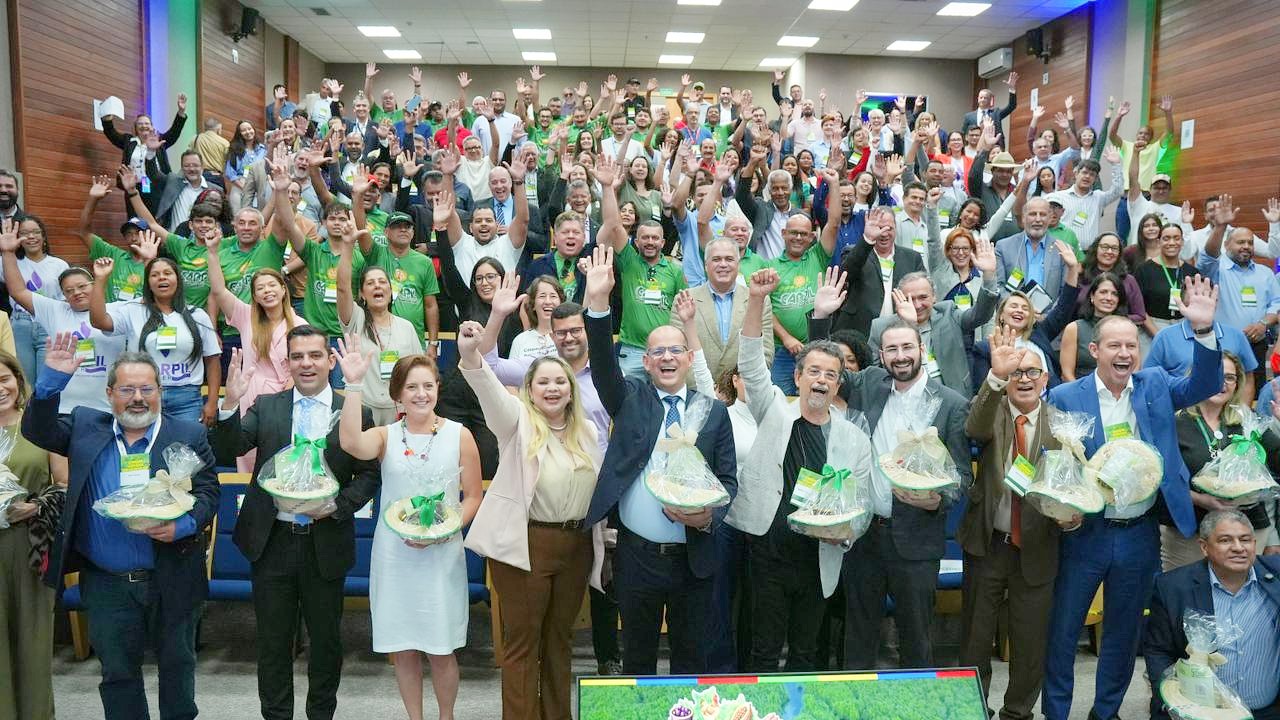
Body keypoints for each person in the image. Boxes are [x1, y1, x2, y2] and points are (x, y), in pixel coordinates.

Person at [1041, 274, 1223, 720]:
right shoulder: (1065, 396)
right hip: (1085, 534)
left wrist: (1203, 331)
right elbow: (1055, 468)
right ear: (1094, 350)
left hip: (1140, 533)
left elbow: (1204, 383)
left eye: (1131, 346)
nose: (1125, 353)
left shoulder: (1154, 384)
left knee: (1124, 635)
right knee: (1063, 630)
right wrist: (1062, 511)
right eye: (1115, 346)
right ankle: (1056, 713)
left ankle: (1105, 713)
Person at [25, 341, 219, 720]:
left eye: (147, 388)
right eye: (127, 389)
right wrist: (50, 382)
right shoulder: (85, 426)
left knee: (178, 668)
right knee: (117, 674)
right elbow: (37, 429)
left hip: (172, 575)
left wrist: (183, 525)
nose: (138, 398)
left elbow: (209, 493)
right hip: (106, 583)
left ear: (160, 391)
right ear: (110, 393)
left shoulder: (188, 434)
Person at [581, 244, 737, 675]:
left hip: (695, 558)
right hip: (638, 558)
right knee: (638, 660)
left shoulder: (713, 412)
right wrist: (599, 304)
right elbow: (602, 366)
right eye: (658, 353)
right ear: (646, 363)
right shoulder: (630, 398)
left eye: (675, 351)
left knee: (690, 660)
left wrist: (707, 517)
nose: (667, 358)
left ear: (689, 358)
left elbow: (728, 479)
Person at [807, 269, 973, 671]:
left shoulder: (951, 403)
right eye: (891, 349)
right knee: (858, 637)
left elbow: (962, 476)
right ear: (881, 355)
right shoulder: (869, 384)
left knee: (917, 640)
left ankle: (917, 701)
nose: (900, 356)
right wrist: (821, 319)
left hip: (917, 540)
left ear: (921, 349)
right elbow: (825, 369)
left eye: (907, 347)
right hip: (865, 536)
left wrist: (937, 499)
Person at [211, 327, 380, 720]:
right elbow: (228, 448)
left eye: (315, 355)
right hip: (272, 542)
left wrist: (338, 505)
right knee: (273, 643)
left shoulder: (355, 410)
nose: (307, 363)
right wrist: (229, 402)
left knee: (326, 644)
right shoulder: (267, 406)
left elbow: (369, 474)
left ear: (330, 360)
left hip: (326, 540)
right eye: (298, 356)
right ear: (287, 363)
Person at [457, 316, 603, 720]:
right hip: (526, 546)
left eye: (560, 382)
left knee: (559, 641)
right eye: (543, 383)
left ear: (571, 390)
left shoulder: (588, 432)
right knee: (523, 645)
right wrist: (472, 354)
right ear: (530, 391)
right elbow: (488, 389)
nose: (552, 388)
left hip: (575, 548)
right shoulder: (516, 423)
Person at [728, 266, 873, 672]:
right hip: (768, 555)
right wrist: (757, 300)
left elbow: (860, 506)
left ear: (838, 384)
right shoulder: (774, 410)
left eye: (831, 374)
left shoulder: (854, 439)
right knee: (762, 652)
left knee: (807, 655)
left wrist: (845, 533)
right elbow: (751, 362)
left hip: (818, 558)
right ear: (798, 377)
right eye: (814, 371)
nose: (821, 380)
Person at [335, 348, 482, 720]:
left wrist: (446, 530)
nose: (421, 394)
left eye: (428, 386)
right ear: (397, 394)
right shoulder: (385, 436)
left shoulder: (460, 435)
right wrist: (353, 384)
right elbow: (350, 443)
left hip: (441, 554)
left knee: (441, 648)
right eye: (412, 387)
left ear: (438, 389)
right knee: (403, 649)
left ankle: (446, 716)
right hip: (395, 555)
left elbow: (473, 497)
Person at [959, 326, 1073, 720]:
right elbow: (973, 429)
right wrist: (995, 376)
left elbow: (1072, 484)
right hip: (988, 542)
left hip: (1038, 547)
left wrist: (1072, 517)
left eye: (1031, 372)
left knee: (1030, 642)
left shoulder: (1064, 427)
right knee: (975, 639)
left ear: (1045, 379)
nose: (1023, 379)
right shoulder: (992, 412)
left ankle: (1018, 712)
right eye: (1016, 373)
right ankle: (973, 709)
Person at [1144, 509, 1280, 720]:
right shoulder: (1172, 587)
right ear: (1204, 547)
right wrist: (1171, 704)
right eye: (1225, 540)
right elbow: (1158, 651)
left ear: (1254, 544)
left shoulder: (1275, 577)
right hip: (1200, 713)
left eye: (1245, 540)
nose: (1238, 548)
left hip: (1268, 712)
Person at [0, 351, 64, 720]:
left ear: (17, 380)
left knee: (33, 639)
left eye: (4, 379)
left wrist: (36, 506)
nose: (0, 389)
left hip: (31, 543)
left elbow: (65, 485)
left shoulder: (39, 426)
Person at [204, 233, 303, 470]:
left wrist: (289, 390)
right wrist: (213, 253)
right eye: (260, 288)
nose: (267, 291)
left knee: (282, 456)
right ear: (255, 296)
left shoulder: (300, 325)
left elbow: (303, 366)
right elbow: (218, 290)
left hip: (285, 395)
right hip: (251, 394)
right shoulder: (246, 316)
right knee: (248, 456)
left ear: (283, 289)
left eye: (272, 285)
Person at [1, 229, 124, 415]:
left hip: (107, 409)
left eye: (82, 286)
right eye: (69, 290)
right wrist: (8, 252)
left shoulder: (119, 310)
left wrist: (148, 260)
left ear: (95, 284)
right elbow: (18, 291)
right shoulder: (56, 311)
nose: (77, 293)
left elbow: (153, 298)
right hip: (64, 410)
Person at [88, 256, 222, 426]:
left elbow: (212, 360)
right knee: (142, 441)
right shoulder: (133, 311)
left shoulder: (198, 315)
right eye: (155, 275)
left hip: (186, 398)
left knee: (185, 443)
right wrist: (100, 279)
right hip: (142, 395)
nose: (161, 278)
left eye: (167, 273)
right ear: (148, 283)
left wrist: (212, 402)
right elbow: (99, 321)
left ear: (178, 280)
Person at [868, 236, 999, 399]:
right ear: (899, 299)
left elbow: (980, 315)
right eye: (910, 299)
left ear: (934, 297)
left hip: (952, 398)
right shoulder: (880, 328)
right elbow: (874, 377)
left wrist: (988, 275)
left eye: (923, 297)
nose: (917, 305)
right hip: (905, 401)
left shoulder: (949, 313)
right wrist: (910, 325)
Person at [336, 228, 424, 425]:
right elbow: (342, 288)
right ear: (361, 294)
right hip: (363, 410)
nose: (377, 286)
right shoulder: (356, 319)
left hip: (400, 411)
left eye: (382, 282)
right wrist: (348, 246)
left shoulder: (406, 327)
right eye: (370, 283)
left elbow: (418, 370)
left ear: (391, 292)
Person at [1197, 195, 1280, 392]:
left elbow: (1276, 303)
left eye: (1250, 243)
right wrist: (1220, 227)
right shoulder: (1216, 270)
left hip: (1256, 344)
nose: (1246, 246)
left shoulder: (1265, 273)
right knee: (1221, 391)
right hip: (1223, 344)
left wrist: (1263, 324)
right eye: (1240, 242)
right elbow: (1208, 256)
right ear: (1227, 245)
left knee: (1255, 392)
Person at [669, 237, 774, 382]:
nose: (723, 264)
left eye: (729, 259)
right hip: (697, 390)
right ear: (706, 265)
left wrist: (739, 387)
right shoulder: (684, 299)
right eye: (716, 259)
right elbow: (677, 351)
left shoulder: (759, 300)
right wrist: (704, 387)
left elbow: (765, 353)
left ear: (738, 264)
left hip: (743, 391)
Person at [832, 205, 925, 336]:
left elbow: (923, 288)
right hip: (860, 330)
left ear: (896, 228)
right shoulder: (855, 252)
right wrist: (868, 240)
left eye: (889, 228)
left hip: (899, 331)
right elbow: (846, 274)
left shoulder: (912, 258)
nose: (884, 233)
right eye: (880, 228)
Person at [0, 216, 68, 384]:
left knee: (46, 381)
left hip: (49, 324)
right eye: (24, 233)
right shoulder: (7, 262)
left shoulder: (59, 265)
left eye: (35, 232)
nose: (31, 237)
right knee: (23, 380)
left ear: (43, 236)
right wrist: (6, 251)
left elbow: (65, 299)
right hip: (20, 324)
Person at [996, 197, 1066, 304]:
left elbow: (1065, 292)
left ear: (1049, 218)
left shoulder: (1062, 250)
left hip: (1049, 314)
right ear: (1023, 218)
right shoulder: (1003, 247)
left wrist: (1050, 313)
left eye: (1043, 215)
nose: (1038, 219)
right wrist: (1017, 307)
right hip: (1013, 311)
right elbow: (998, 286)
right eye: (1032, 214)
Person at [1060, 272, 1128, 382]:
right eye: (1103, 292)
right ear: (1092, 296)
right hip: (1080, 388)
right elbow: (1067, 373)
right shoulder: (1074, 329)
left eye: (1114, 294)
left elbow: (1134, 368)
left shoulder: (1127, 329)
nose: (1109, 298)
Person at [507, 275, 564, 361]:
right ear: (533, 304)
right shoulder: (520, 340)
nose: (548, 301)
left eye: (553, 296)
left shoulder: (568, 335)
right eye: (542, 296)